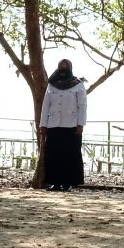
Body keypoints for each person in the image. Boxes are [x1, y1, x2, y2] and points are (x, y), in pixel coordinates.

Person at [38, 59, 87, 191]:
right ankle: (55, 183)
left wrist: (81, 124)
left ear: (70, 68)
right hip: (53, 125)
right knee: (54, 155)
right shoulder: (51, 84)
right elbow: (46, 105)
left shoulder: (78, 84)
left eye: (66, 67)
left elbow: (82, 106)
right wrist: (43, 124)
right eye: (61, 67)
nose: (63, 69)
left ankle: (68, 183)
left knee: (69, 155)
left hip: (71, 125)